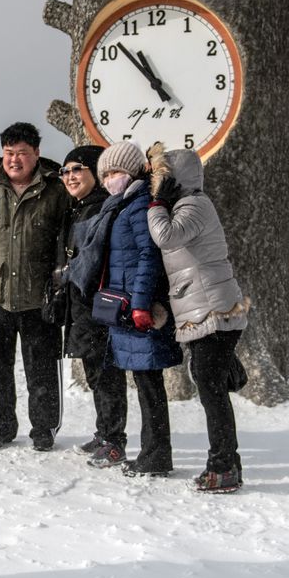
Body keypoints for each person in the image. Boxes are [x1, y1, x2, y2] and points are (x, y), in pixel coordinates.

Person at [64, 140, 182, 476]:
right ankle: (151, 452)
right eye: (107, 173)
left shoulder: (140, 205)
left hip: (137, 309)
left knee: (149, 384)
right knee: (144, 382)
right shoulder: (120, 206)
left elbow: (148, 259)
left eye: (116, 171)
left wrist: (142, 304)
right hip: (123, 308)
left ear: (133, 171)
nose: (110, 178)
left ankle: (156, 455)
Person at [0, 121, 70, 451]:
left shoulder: (56, 191)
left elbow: (68, 238)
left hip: (40, 297)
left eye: (21, 153)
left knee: (42, 370)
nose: (14, 160)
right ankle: (1, 427)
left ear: (36, 154)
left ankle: (44, 430)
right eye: (8, 153)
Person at [146, 144, 251, 493]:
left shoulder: (194, 205)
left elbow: (165, 236)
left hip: (212, 310)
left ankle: (222, 466)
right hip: (205, 308)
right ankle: (227, 463)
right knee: (211, 386)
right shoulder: (187, 205)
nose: (155, 183)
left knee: (211, 390)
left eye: (160, 177)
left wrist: (158, 203)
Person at [51, 145, 129, 468]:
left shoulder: (100, 208)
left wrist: (65, 273)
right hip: (83, 305)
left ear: (94, 173)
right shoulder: (80, 207)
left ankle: (114, 441)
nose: (70, 176)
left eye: (77, 169)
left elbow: (90, 260)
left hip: (98, 304)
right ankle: (103, 432)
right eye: (65, 171)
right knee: (95, 371)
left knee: (106, 373)